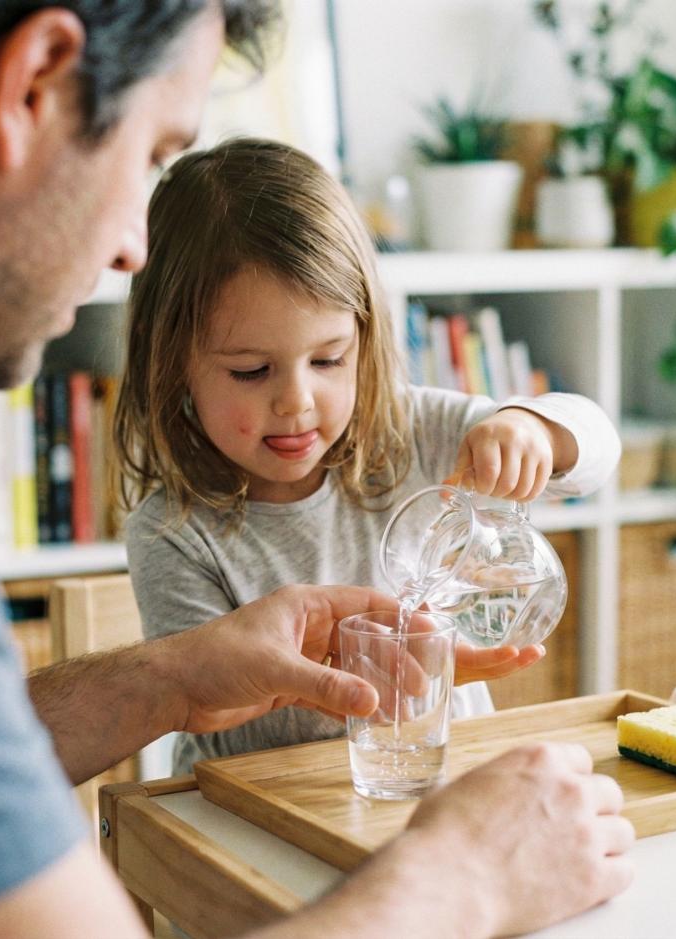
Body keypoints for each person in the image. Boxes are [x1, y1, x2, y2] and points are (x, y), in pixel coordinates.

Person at [0, 2, 635, 936]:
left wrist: (172, 676)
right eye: (152, 155)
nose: (132, 250)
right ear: (31, 84)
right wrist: (461, 879)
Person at [116, 137, 623, 774]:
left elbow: (599, 450)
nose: (296, 402)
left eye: (328, 360)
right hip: (261, 801)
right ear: (171, 361)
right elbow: (212, 718)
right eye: (250, 370)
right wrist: (346, 673)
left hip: (441, 784)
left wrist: (536, 430)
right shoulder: (173, 531)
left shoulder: (417, 431)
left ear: (363, 336)